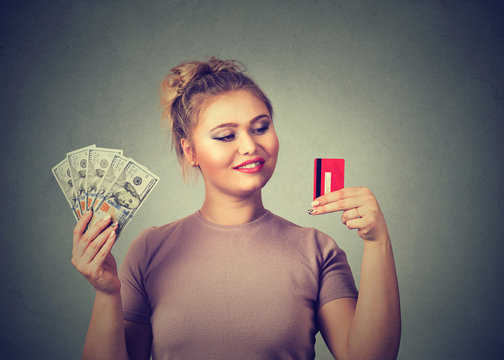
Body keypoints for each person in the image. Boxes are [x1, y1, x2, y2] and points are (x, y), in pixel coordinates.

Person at [71, 57, 401, 360]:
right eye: (226, 136)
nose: (250, 146)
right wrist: (106, 295)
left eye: (260, 128)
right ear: (191, 151)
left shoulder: (318, 251)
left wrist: (377, 242)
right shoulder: (149, 250)